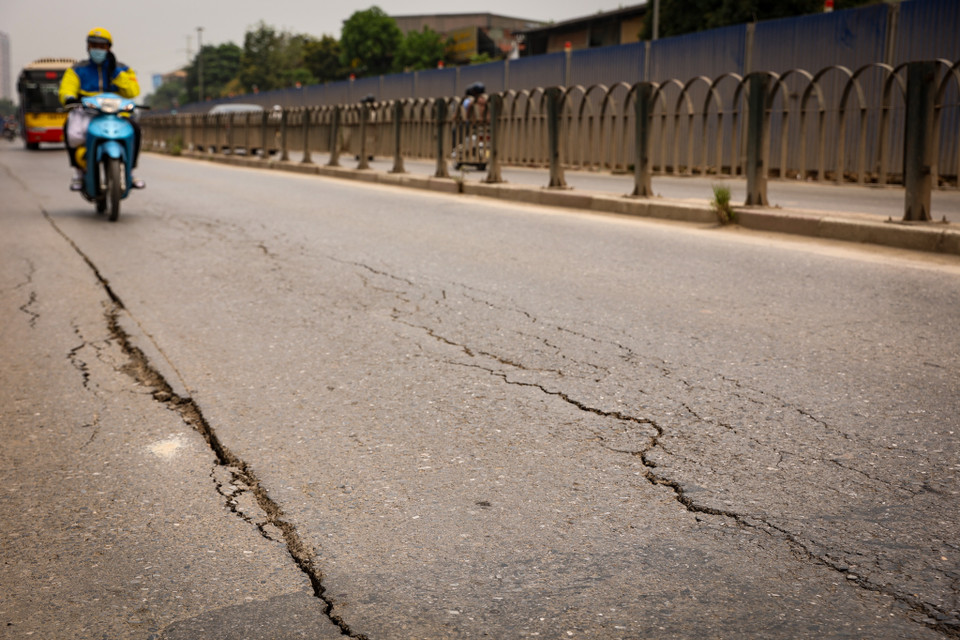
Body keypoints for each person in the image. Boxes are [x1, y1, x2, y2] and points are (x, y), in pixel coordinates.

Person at [59, 27, 144, 190]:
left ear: (109, 48)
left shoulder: (123, 69)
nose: (97, 49)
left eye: (102, 46)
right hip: (87, 113)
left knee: (136, 130)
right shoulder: (76, 70)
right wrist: (69, 98)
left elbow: (133, 91)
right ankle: (78, 172)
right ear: (88, 47)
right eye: (94, 45)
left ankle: (131, 171)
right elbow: (66, 89)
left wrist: (116, 74)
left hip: (117, 114)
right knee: (68, 129)